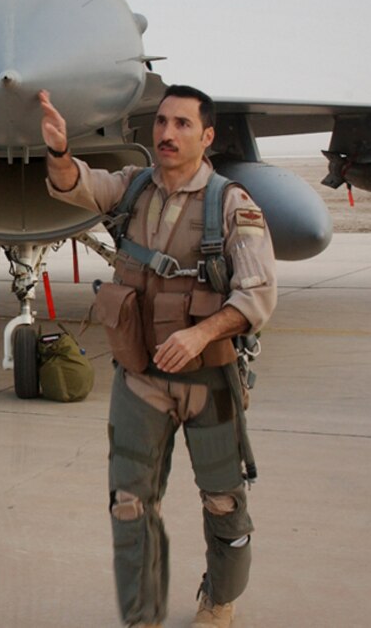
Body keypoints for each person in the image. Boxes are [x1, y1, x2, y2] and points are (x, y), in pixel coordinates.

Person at [40, 86, 277, 628]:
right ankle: (142, 612)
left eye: (183, 124)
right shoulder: (133, 188)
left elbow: (258, 297)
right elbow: (75, 184)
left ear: (207, 135)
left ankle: (219, 599)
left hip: (208, 381)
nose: (168, 134)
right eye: (162, 122)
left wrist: (200, 334)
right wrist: (57, 150)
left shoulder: (230, 204)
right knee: (129, 502)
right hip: (139, 378)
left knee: (223, 502)